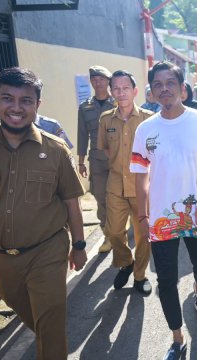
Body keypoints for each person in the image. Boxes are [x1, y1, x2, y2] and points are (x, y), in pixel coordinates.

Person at [0, 67, 86, 359]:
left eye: (26, 100)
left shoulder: (56, 150)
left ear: (37, 105)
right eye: (8, 98)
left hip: (47, 250)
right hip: (0, 256)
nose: (16, 107)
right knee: (21, 306)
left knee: (49, 320)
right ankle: (51, 341)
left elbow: (72, 202)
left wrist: (79, 244)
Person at [130, 61, 197, 360]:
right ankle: (177, 338)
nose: (164, 88)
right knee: (165, 280)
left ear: (182, 89)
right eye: (158, 84)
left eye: (170, 83)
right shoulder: (145, 130)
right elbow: (140, 175)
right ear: (151, 91)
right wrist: (142, 215)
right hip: (162, 220)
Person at [97, 70, 154, 295]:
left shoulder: (149, 119)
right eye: (116, 89)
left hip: (142, 187)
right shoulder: (105, 120)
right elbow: (107, 149)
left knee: (143, 235)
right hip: (115, 185)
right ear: (111, 92)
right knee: (113, 231)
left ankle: (140, 275)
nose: (121, 93)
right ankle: (126, 261)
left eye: (125, 88)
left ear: (135, 91)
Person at [78, 65, 115, 252]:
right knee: (100, 197)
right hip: (97, 160)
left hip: (118, 159)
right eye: (94, 79)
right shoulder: (85, 107)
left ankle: (124, 228)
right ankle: (108, 235)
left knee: (121, 196)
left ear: (108, 81)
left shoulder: (118, 103)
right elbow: (82, 134)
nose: (97, 82)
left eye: (101, 79)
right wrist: (81, 161)